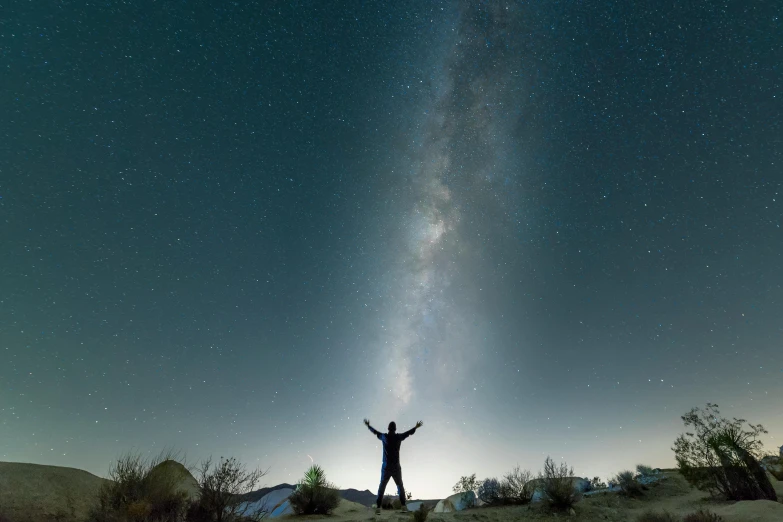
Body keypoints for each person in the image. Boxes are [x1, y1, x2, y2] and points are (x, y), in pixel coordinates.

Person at [364, 418, 423, 515]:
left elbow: (375, 432)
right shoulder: (398, 437)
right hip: (396, 466)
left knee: (382, 486)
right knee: (400, 486)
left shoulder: (384, 437)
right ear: (395, 429)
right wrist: (416, 427)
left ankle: (378, 507)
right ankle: (403, 506)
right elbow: (408, 433)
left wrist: (368, 426)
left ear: (388, 428)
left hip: (386, 466)